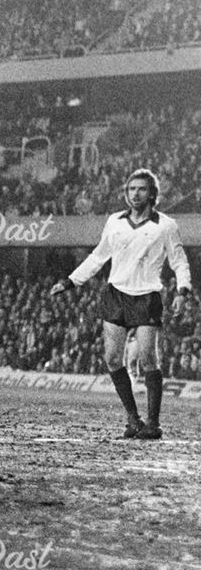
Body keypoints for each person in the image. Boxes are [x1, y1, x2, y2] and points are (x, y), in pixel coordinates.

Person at [50, 168, 191, 440]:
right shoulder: (115, 221)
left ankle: (153, 423)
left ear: (152, 194)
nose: (134, 194)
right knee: (113, 359)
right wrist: (71, 281)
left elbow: (179, 261)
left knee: (149, 359)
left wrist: (182, 290)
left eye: (140, 189)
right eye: (130, 189)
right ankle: (132, 418)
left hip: (147, 296)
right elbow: (98, 256)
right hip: (116, 295)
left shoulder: (166, 225)